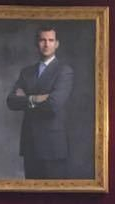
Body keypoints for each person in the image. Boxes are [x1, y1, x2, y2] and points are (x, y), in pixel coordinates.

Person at [6, 24, 74, 180]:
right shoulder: (27, 72)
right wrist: (35, 98)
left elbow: (53, 105)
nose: (46, 44)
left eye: (51, 40)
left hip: (53, 147)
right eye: (42, 40)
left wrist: (25, 98)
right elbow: (11, 101)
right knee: (30, 200)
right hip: (30, 145)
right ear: (37, 43)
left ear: (57, 44)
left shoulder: (64, 71)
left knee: (55, 201)